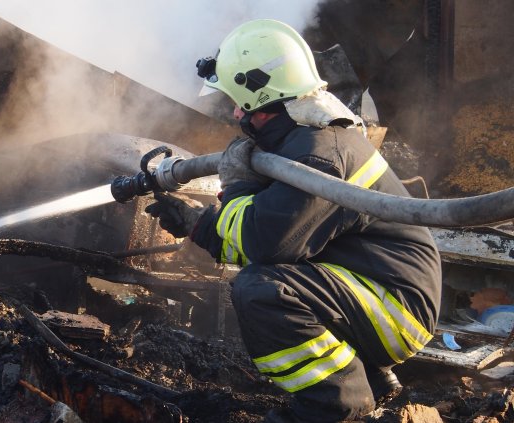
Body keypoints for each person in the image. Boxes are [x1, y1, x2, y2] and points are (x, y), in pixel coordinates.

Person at [145, 19, 441, 422]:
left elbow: (265, 244)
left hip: (395, 308)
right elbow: (281, 236)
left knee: (261, 291)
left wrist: (237, 187)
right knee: (268, 278)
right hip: (380, 291)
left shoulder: (318, 153)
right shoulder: (301, 139)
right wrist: (197, 223)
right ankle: (370, 378)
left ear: (262, 97)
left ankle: (334, 405)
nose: (235, 112)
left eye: (239, 102)